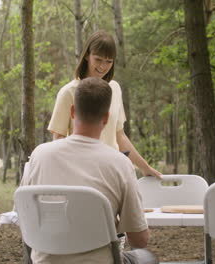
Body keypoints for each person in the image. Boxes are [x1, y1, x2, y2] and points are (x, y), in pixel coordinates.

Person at [21, 77, 159, 264]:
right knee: (145, 257)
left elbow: (25, 217)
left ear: (72, 111)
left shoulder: (39, 155)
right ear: (106, 118)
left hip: (45, 261)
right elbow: (139, 240)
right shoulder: (120, 163)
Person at [48, 30, 161, 178]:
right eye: (98, 59)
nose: (103, 66)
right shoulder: (68, 92)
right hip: (82, 174)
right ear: (87, 56)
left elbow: (119, 136)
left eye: (109, 61)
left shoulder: (114, 89)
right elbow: (58, 140)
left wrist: (145, 168)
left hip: (111, 171)